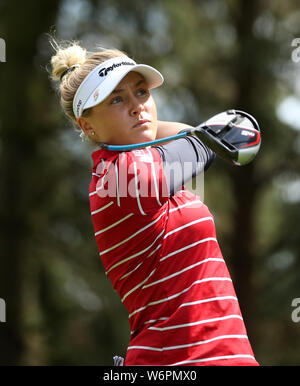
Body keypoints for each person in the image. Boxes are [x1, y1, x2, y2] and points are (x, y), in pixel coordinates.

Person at [49, 40, 259, 366]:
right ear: (87, 126)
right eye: (117, 99)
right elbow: (199, 147)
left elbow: (193, 138)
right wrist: (204, 138)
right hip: (174, 361)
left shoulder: (159, 180)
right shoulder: (113, 176)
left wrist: (138, 122)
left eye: (142, 92)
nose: (138, 106)